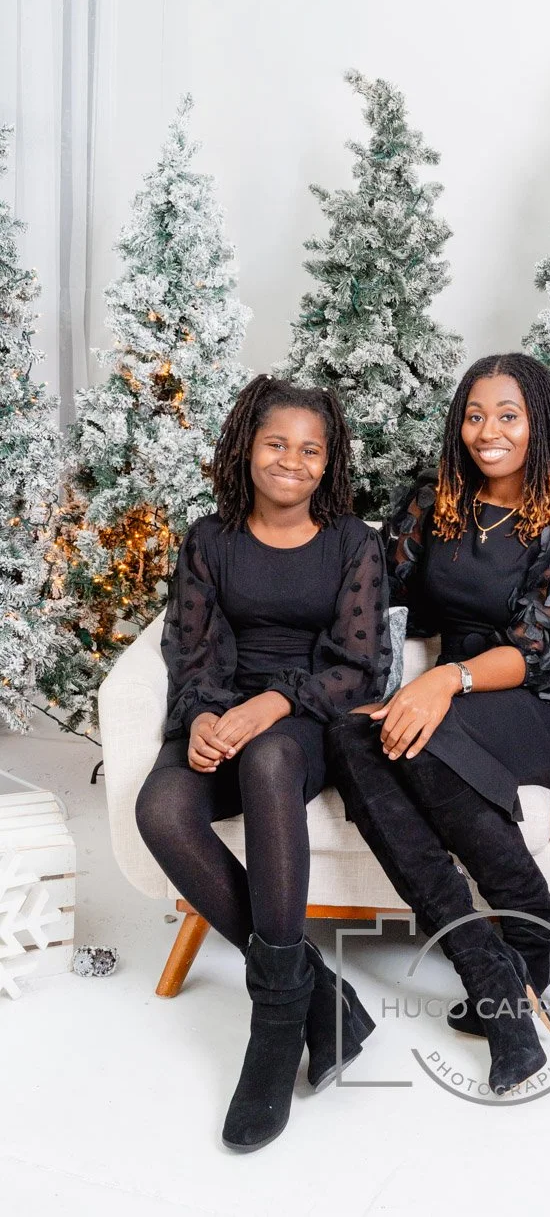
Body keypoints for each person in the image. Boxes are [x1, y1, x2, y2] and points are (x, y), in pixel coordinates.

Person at [324, 352, 550, 1097]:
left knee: (421, 736)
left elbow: (541, 647)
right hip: (450, 697)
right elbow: (368, 589)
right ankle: (496, 964)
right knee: (354, 734)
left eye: (508, 416)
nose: (489, 431)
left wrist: (442, 683)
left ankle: (534, 937)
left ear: (540, 425)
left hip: (546, 704)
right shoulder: (434, 504)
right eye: (476, 415)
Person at [135, 375, 390, 1153]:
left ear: (329, 462)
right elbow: (191, 650)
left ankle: (276, 1026)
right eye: (277, 443)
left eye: (310, 450)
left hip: (307, 721)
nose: (292, 460)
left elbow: (359, 666)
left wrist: (268, 707)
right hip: (226, 710)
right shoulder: (210, 540)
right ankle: (323, 999)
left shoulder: (355, 543)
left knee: (271, 759)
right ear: (248, 448)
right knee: (162, 810)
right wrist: (207, 715)